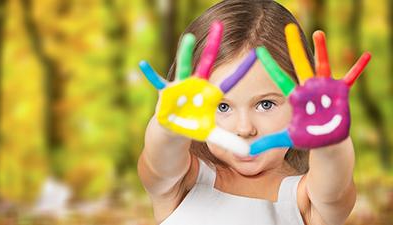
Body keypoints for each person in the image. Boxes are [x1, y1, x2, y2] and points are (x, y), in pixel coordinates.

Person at [138, 0, 360, 224]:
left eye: (265, 104)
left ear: (299, 107)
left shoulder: (307, 201)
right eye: (222, 106)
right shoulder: (182, 182)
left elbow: (335, 189)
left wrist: (329, 138)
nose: (244, 129)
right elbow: (160, 160)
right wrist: (168, 129)